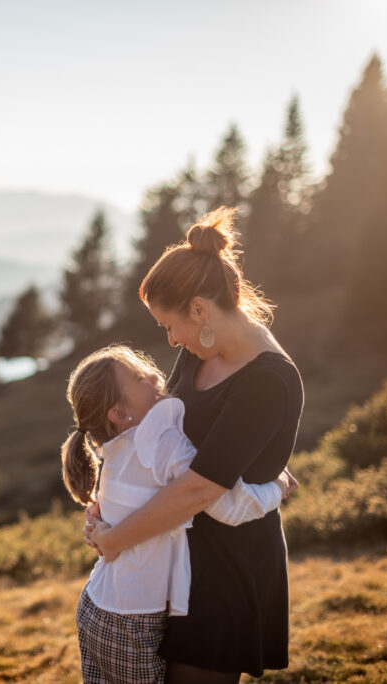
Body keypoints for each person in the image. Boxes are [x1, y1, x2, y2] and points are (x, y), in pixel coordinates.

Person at [85, 206, 304, 683]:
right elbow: (160, 437)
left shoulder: (268, 381)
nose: (170, 338)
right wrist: (108, 508)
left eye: (170, 325)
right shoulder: (197, 352)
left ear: (200, 309)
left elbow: (198, 490)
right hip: (175, 566)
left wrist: (114, 541)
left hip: (226, 575)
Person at [62, 344, 296, 684]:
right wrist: (277, 487)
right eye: (141, 378)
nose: (157, 375)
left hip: (96, 606)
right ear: (118, 413)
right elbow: (226, 505)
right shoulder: (161, 441)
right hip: (134, 622)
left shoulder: (112, 450)